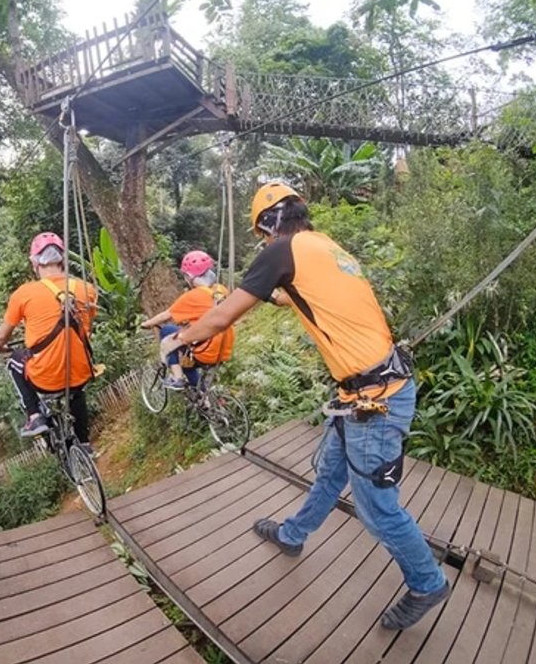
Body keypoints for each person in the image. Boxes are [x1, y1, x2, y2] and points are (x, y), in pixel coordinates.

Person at [159, 181, 450, 631]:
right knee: (331, 471)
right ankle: (293, 535)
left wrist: (177, 339)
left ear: (270, 223)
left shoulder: (282, 250)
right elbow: (295, 295)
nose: (264, 242)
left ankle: (427, 581)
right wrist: (276, 296)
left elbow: (221, 317)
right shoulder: (326, 248)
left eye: (261, 233)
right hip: (370, 390)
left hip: (375, 401)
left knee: (377, 509)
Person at [0, 232, 98, 449]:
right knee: (76, 390)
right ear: (63, 260)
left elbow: (2, 337)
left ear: (35, 263)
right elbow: (88, 330)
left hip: (45, 378)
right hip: (82, 371)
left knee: (15, 361)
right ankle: (85, 443)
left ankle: (34, 415)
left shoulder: (24, 294)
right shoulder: (86, 289)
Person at [140, 250, 235, 389]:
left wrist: (147, 324)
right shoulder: (221, 290)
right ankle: (204, 400)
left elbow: (166, 315)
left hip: (206, 351)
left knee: (167, 331)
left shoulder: (192, 296)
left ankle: (177, 378)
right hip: (225, 349)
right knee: (187, 364)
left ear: (188, 276)